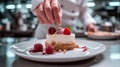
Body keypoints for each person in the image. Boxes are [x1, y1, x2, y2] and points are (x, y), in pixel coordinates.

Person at [31, 0, 98, 39]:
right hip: (45, 35)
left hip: (69, 35)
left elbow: (84, 11)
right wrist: (40, 3)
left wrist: (89, 24)